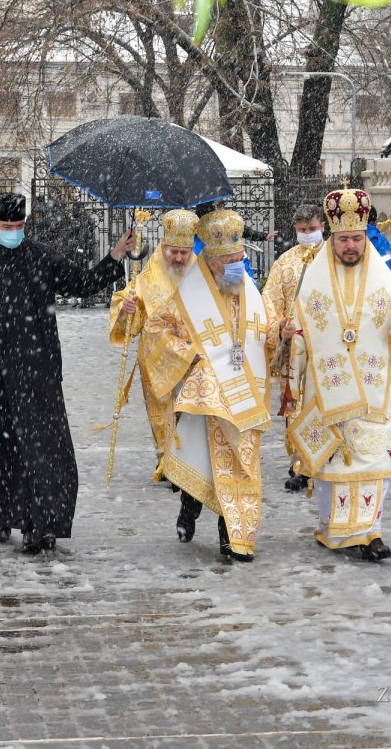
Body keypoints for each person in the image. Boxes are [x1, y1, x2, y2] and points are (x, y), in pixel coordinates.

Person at [0, 193, 134, 555]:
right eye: (7, 227)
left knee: (45, 450)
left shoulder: (40, 256)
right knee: (3, 451)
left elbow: (80, 284)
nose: (14, 232)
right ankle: (5, 513)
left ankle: (42, 522)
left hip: (38, 370)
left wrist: (115, 257)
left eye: (19, 227)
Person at [279, 186, 391, 562]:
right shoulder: (312, 278)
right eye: (343, 238)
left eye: (356, 239)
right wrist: (287, 341)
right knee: (336, 463)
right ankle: (334, 528)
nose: (350, 246)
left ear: (365, 237)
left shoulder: (384, 276)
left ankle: (371, 531)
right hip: (328, 391)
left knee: (375, 463)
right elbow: (297, 334)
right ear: (333, 236)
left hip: (373, 392)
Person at [145, 207, 276, 560]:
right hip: (206, 396)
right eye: (228, 261)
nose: (237, 266)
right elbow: (155, 330)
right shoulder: (189, 293)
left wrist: (282, 334)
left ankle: (233, 535)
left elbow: (268, 330)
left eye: (240, 258)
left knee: (240, 464)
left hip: (245, 392)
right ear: (211, 262)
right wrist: (190, 353)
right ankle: (191, 506)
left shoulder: (248, 287)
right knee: (208, 462)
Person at [108, 208, 199, 479]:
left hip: (191, 356)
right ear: (164, 246)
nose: (180, 258)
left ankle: (190, 460)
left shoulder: (201, 273)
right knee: (162, 412)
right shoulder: (147, 275)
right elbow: (130, 316)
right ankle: (168, 461)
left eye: (185, 252)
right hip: (156, 358)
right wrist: (126, 308)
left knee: (191, 409)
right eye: (174, 252)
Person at [262, 203, 325, 493]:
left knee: (325, 404)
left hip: (328, 347)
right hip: (294, 348)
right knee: (296, 406)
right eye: (302, 231)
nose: (308, 234)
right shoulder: (284, 264)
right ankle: (299, 463)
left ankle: (324, 458)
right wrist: (279, 328)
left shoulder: (334, 259)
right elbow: (269, 303)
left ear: (322, 226)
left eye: (312, 229)